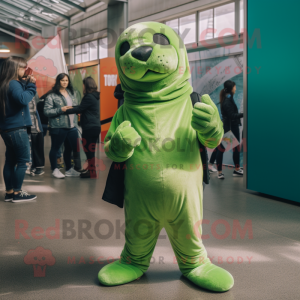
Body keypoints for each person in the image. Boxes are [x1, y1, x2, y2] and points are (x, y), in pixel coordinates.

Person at [0, 56, 37, 202]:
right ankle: (17, 193)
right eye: (23, 67)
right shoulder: (14, 83)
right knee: (23, 161)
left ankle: (9, 192)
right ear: (15, 69)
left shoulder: (5, 83)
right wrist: (31, 86)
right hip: (17, 129)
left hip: (7, 129)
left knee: (10, 161)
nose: (25, 70)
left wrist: (26, 82)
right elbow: (22, 99)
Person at [44, 73, 82, 179]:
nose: (65, 82)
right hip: (58, 126)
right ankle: (55, 169)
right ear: (58, 81)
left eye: (66, 80)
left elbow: (76, 106)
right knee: (55, 148)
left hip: (72, 126)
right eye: (62, 80)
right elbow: (46, 111)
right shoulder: (52, 95)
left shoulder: (72, 93)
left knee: (70, 149)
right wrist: (60, 109)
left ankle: (69, 169)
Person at [65, 77, 100, 178]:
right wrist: (71, 107)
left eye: (83, 84)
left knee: (88, 150)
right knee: (91, 150)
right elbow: (83, 107)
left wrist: (65, 110)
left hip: (89, 127)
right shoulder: (95, 96)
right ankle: (91, 169)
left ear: (86, 85)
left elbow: (80, 108)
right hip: (95, 127)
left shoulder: (88, 97)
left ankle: (92, 172)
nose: (82, 86)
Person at [216, 80, 243, 179]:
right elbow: (232, 115)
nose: (236, 88)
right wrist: (244, 114)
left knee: (235, 149)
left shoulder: (228, 98)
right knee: (221, 149)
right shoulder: (228, 100)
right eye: (235, 87)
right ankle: (220, 172)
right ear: (232, 88)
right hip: (230, 128)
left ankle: (236, 169)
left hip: (231, 127)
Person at [28, 93, 45, 176]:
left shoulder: (33, 92)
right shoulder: (18, 92)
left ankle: (36, 167)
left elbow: (36, 109)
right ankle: (29, 167)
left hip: (35, 124)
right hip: (23, 125)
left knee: (36, 145)